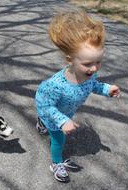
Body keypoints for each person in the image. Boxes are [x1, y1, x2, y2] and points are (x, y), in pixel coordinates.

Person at [35, 10, 120, 183]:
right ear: (69, 59)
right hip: (54, 114)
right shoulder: (55, 85)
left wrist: (107, 89)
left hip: (65, 112)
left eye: (98, 62)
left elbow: (93, 85)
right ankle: (56, 163)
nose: (95, 68)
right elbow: (45, 105)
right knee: (58, 140)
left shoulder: (89, 75)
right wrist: (62, 121)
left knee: (48, 124)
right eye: (88, 64)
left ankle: (41, 123)